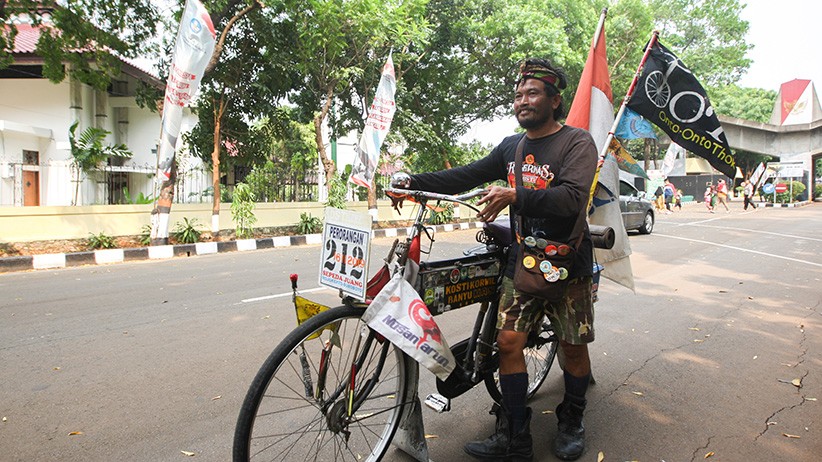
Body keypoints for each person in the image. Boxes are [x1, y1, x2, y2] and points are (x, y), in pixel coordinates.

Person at [394, 58, 597, 461]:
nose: (523, 100)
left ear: (555, 100)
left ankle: (571, 420)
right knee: (507, 343)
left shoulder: (577, 143)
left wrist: (516, 195)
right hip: (522, 264)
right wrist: (412, 182)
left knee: (572, 347)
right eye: (519, 94)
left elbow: (573, 198)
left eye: (533, 93)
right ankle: (515, 437)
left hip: (567, 265)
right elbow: (466, 175)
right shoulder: (511, 147)